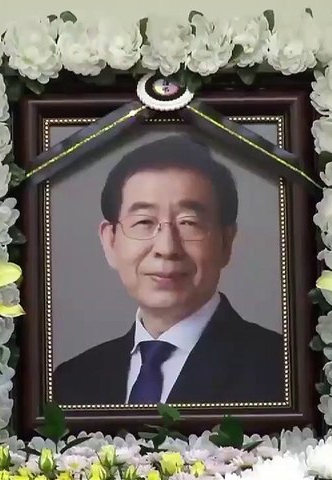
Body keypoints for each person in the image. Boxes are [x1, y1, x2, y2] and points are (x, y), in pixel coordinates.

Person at [52, 134, 285, 406]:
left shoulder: (283, 372)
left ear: (226, 241)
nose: (167, 248)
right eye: (144, 222)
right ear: (110, 241)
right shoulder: (71, 381)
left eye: (189, 223)